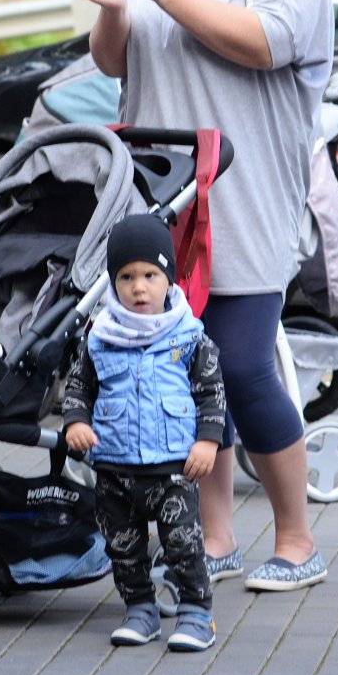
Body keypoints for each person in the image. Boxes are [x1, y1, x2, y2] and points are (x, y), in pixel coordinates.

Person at [54, 0, 335, 593]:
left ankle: (298, 538)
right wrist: (115, 5)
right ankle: (214, 539)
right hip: (158, 188)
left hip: (242, 188)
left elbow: (269, 42)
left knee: (242, 366)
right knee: (176, 363)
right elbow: (117, 60)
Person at [60, 215, 226, 651]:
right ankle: (140, 610)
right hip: (115, 468)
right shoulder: (99, 338)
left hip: (172, 467)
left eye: (150, 275)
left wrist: (207, 440)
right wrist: (76, 422)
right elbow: (79, 385)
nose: (138, 288)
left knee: (183, 545)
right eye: (126, 277)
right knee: (123, 548)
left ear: (168, 279)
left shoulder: (189, 337)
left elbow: (211, 392)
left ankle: (196, 613)